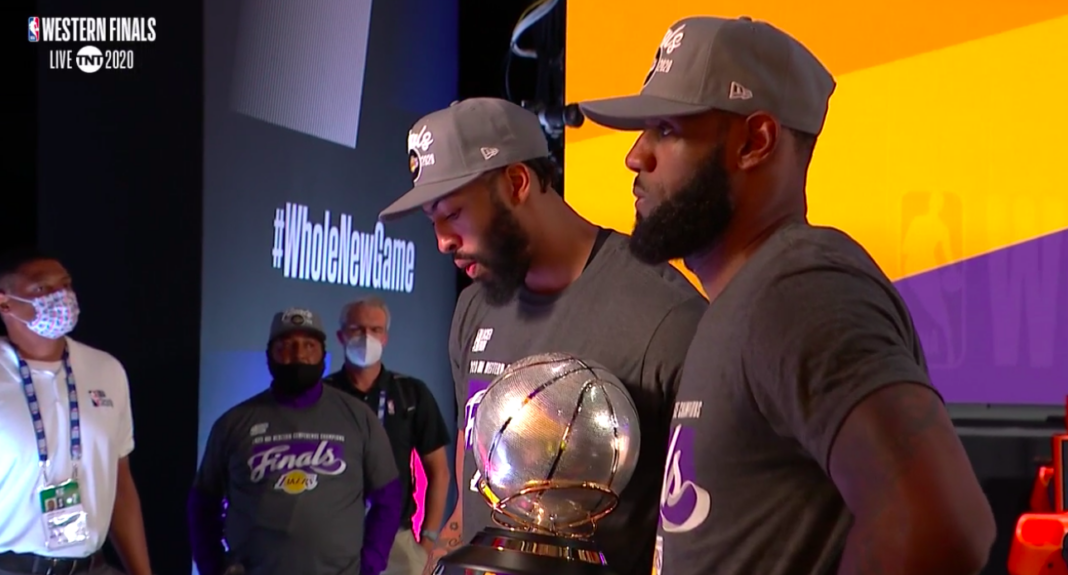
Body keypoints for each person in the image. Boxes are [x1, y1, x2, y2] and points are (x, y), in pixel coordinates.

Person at [578, 15, 996, 575]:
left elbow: (941, 528)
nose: (636, 156)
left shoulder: (798, 289)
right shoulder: (742, 299)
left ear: (755, 142)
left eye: (667, 130)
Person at [378, 98, 707, 575]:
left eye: (453, 213)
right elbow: (474, 487)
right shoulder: (474, 308)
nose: (443, 241)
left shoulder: (666, 317)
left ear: (517, 183)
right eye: (434, 222)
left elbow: (694, 526)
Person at [188, 307, 403, 575]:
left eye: (309, 346)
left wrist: (370, 564)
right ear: (270, 355)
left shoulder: (358, 418)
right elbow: (202, 505)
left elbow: (388, 499)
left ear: (323, 353)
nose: (299, 355)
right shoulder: (233, 424)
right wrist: (212, 567)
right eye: (286, 346)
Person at [0, 248, 152, 575]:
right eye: (42, 288)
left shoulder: (106, 369)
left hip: (91, 566)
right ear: (5, 303)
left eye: (65, 285)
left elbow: (120, 483)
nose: (60, 297)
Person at [323, 297, 451, 575]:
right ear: (341, 336)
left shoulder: (411, 393)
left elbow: (439, 471)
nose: (366, 337)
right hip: (333, 538)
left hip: (397, 540)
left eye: (375, 330)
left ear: (385, 338)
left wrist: (427, 540)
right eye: (357, 329)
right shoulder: (323, 395)